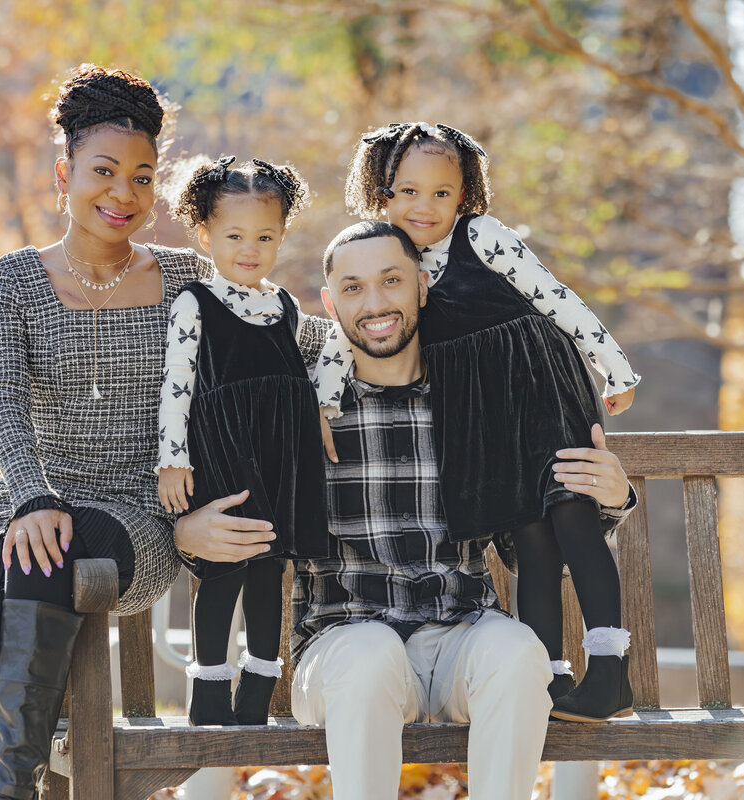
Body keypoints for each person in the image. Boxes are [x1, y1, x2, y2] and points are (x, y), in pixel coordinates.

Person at [0, 65, 333, 800]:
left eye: (143, 177)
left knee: (42, 560)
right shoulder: (12, 280)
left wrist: (383, 334)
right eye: (104, 172)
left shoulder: (189, 278)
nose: (124, 194)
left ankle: (13, 789)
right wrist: (32, 497)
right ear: (64, 173)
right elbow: (5, 401)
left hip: (138, 515)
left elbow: (297, 341)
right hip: (29, 501)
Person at [184, 220, 634, 800]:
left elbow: (527, 550)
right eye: (352, 288)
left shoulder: (474, 399)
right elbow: (234, 507)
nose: (375, 304)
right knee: (370, 655)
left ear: (423, 285)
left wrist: (611, 497)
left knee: (520, 652)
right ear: (328, 301)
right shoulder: (298, 407)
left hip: (463, 634)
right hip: (343, 644)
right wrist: (189, 528)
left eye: (391, 281)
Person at [315, 121, 641, 722]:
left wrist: (613, 365)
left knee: (573, 521)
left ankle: (611, 673)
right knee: (530, 540)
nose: (425, 206)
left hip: (540, 387)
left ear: (464, 196)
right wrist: (322, 400)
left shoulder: (482, 237)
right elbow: (340, 331)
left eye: (442, 193)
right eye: (408, 191)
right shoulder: (392, 260)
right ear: (381, 193)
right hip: (487, 414)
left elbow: (556, 297)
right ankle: (547, 677)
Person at [156, 156, 336, 725]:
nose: (249, 248)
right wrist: (172, 458)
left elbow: (333, 348)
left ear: (282, 236)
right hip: (225, 456)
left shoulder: (283, 305)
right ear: (205, 234)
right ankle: (209, 689)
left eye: (265, 236)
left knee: (269, 572)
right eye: (234, 235)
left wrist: (323, 405)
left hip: (280, 456)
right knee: (223, 569)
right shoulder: (196, 302)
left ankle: (259, 686)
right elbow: (177, 383)